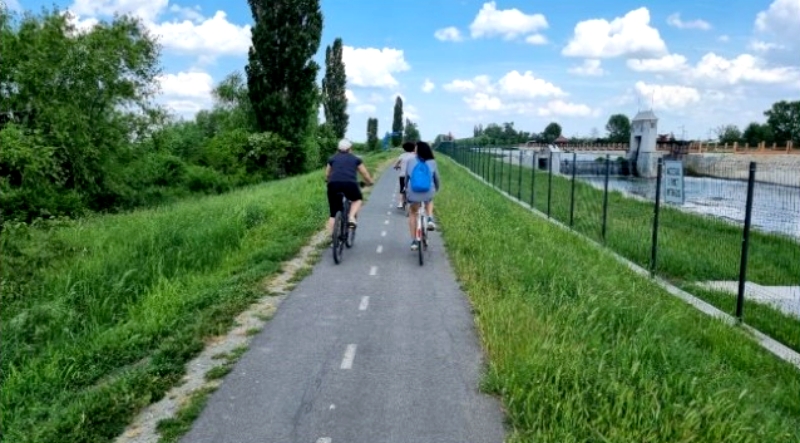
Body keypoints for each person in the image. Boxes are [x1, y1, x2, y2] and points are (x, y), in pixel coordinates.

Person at [325, 139, 374, 235]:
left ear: (338, 149)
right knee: (357, 199)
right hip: (350, 184)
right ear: (350, 149)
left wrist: (328, 180)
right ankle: (351, 217)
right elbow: (365, 174)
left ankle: (332, 238)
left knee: (333, 214)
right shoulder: (356, 159)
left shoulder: (332, 159)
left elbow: (327, 174)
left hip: (333, 184)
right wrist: (370, 182)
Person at [404, 141, 439, 251]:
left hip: (413, 192)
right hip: (428, 191)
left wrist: (405, 190)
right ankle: (429, 219)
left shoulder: (410, 161)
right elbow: (436, 179)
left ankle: (414, 241)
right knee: (429, 199)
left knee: (413, 213)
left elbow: (406, 179)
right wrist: (435, 189)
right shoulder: (432, 162)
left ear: (417, 150)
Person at [393, 142, 416, 209]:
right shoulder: (414, 156)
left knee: (402, 189)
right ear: (413, 148)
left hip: (403, 175)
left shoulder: (402, 155)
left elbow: (396, 164)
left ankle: (400, 203)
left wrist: (397, 166)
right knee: (412, 189)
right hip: (412, 176)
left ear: (404, 148)